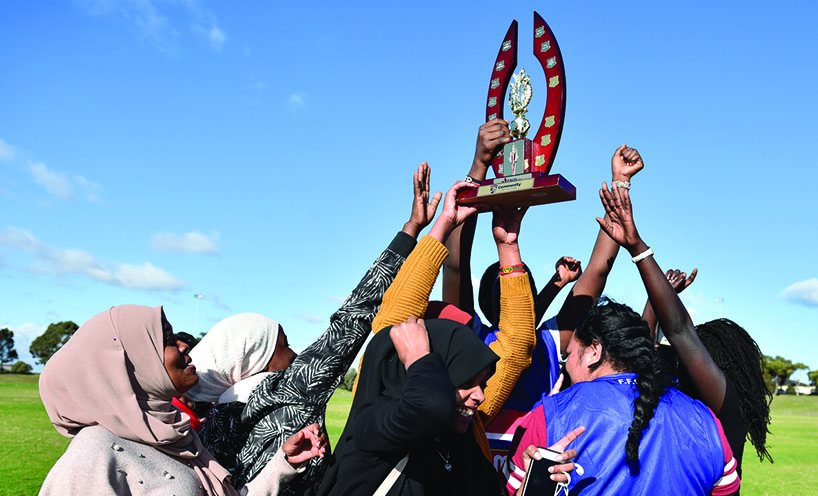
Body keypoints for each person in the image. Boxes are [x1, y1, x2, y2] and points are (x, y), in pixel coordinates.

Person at [192, 163, 444, 494]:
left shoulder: (207, 428)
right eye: (283, 345)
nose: (295, 353)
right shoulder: (288, 390)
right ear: (256, 359)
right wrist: (410, 230)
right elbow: (354, 316)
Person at [505, 178, 743, 495]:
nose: (565, 363)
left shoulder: (551, 417)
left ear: (594, 351)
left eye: (569, 353)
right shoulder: (707, 422)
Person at [39, 305, 326, 496]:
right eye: (167, 340)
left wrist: (284, 464)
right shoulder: (96, 449)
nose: (183, 347)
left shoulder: (176, 436)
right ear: (133, 362)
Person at [318, 316, 580, 496]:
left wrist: (534, 478)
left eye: (482, 384)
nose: (480, 396)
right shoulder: (374, 425)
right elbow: (429, 408)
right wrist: (419, 357)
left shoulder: (463, 449)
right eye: (465, 382)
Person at [641, 269, 773, 475]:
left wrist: (657, 295)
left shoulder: (727, 412)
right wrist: (655, 298)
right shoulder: (677, 399)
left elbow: (678, 332)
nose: (685, 360)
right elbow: (643, 355)